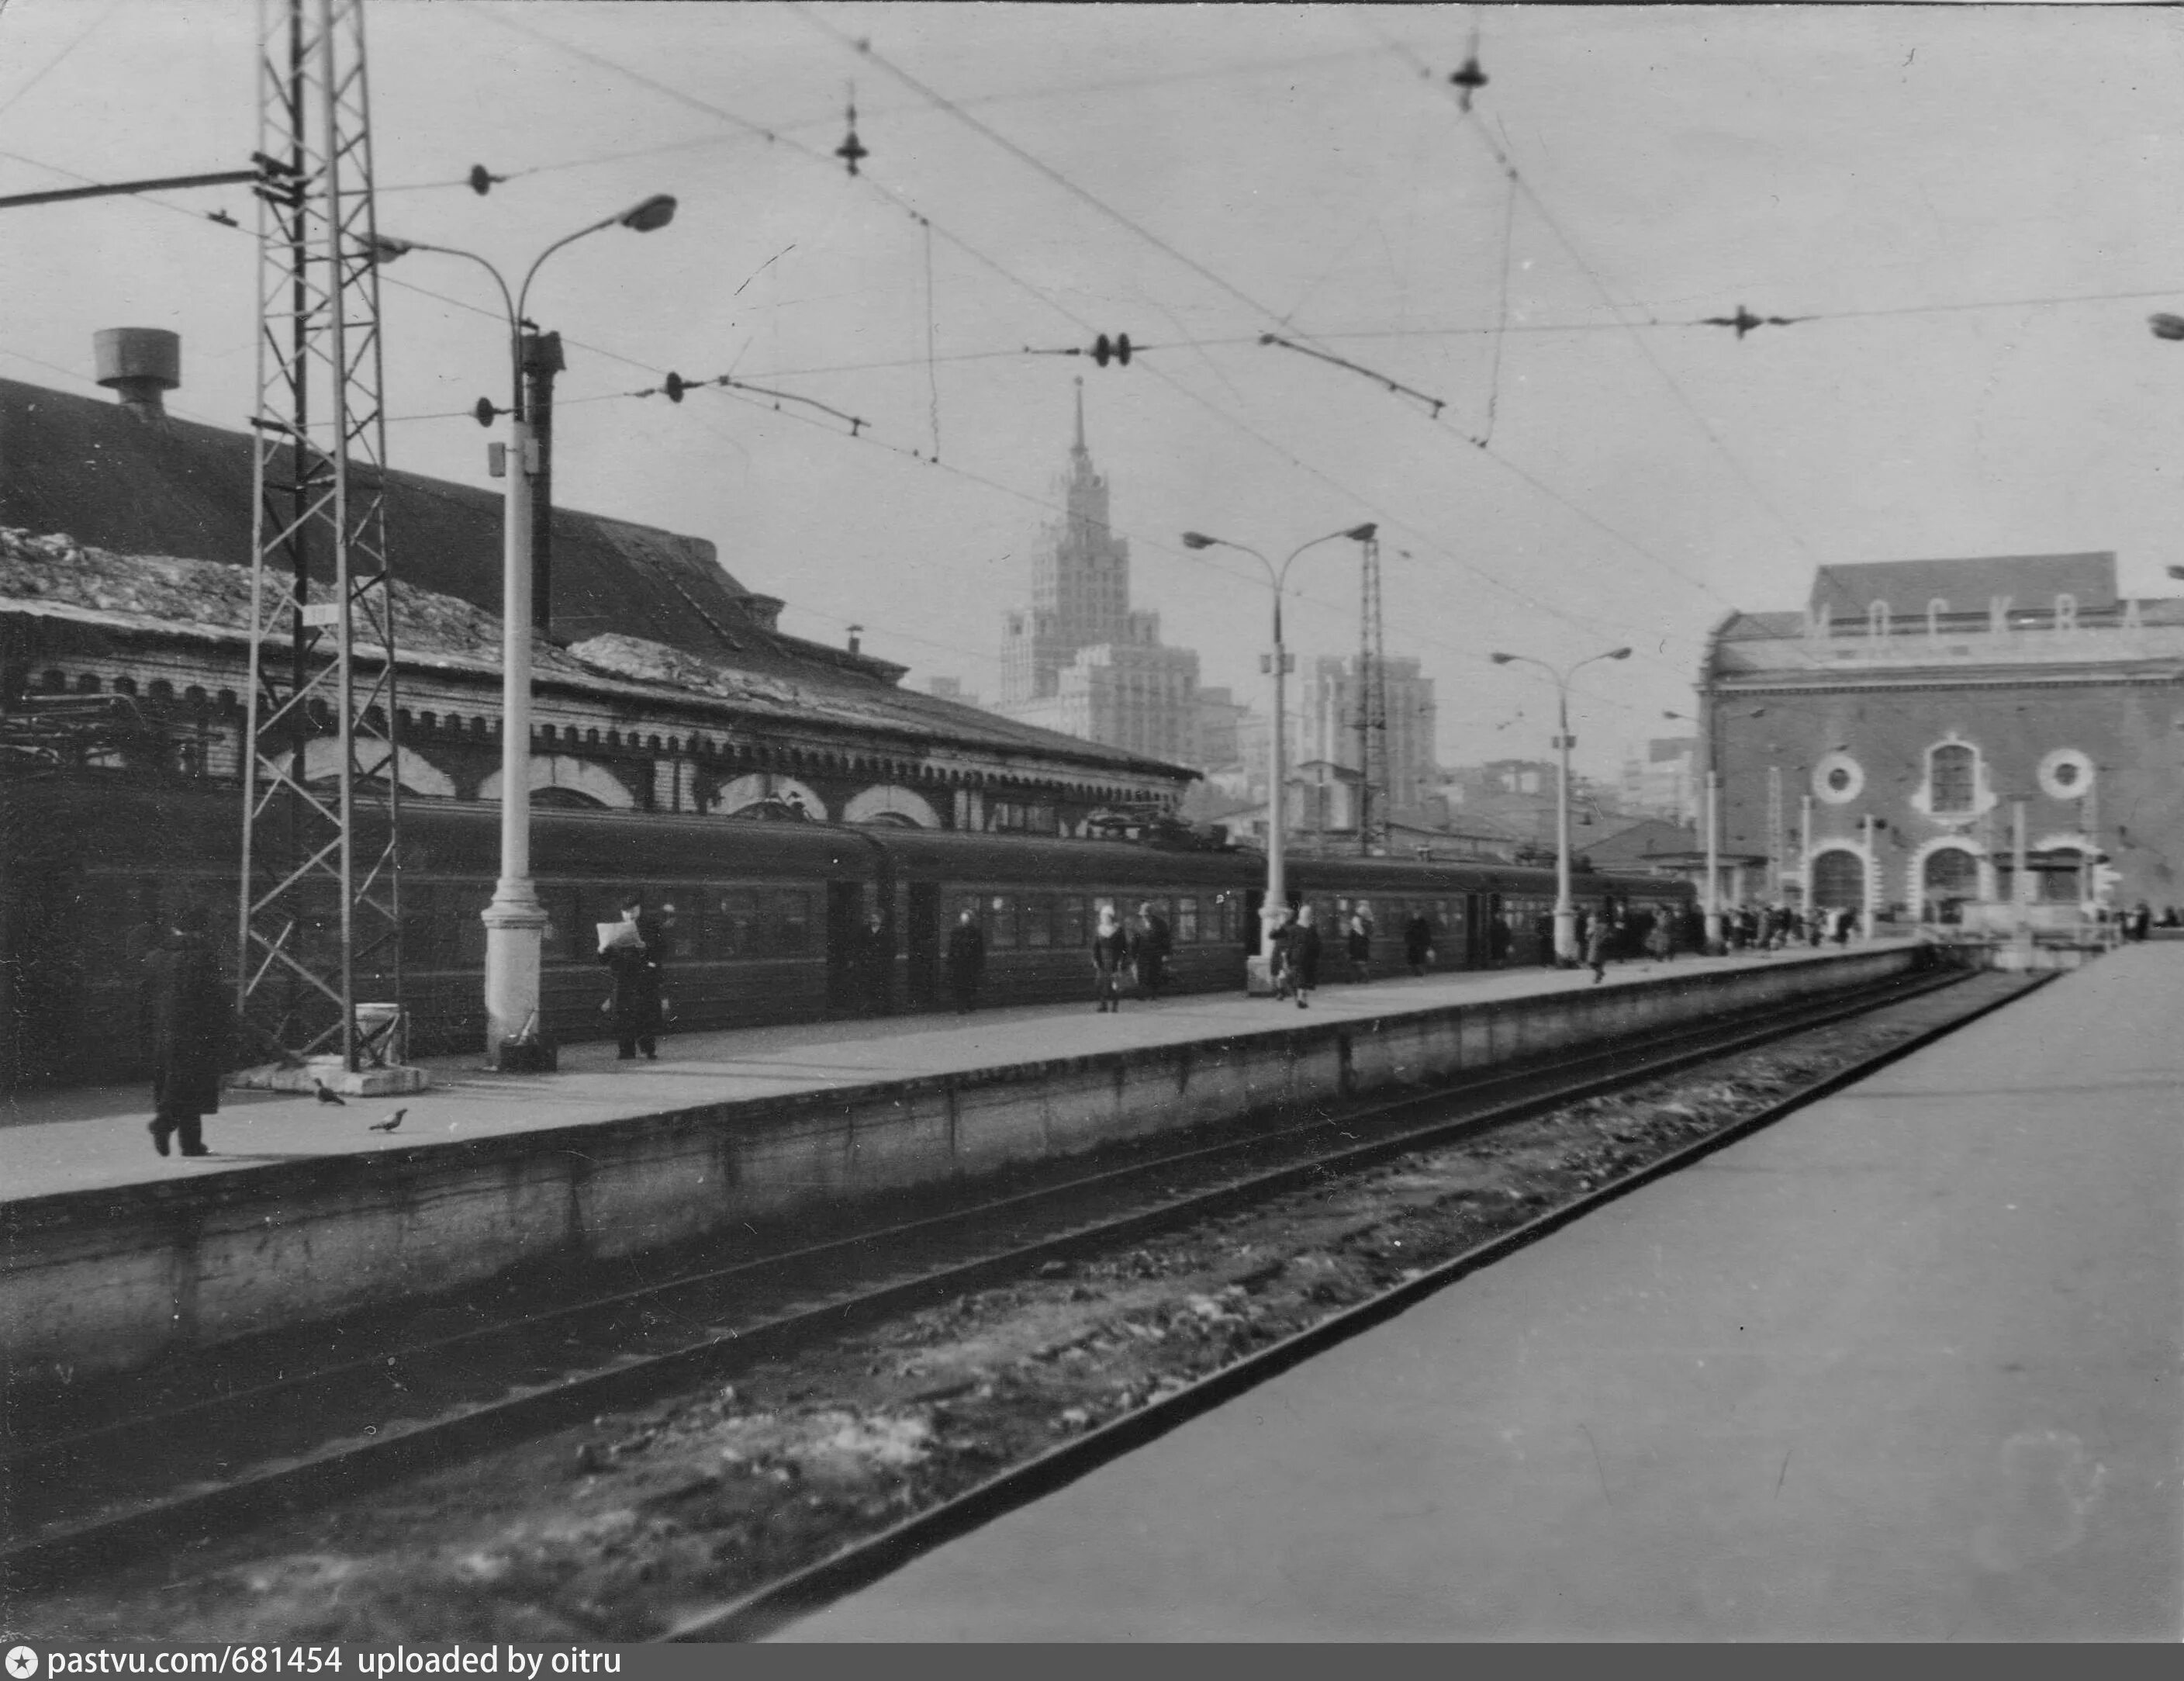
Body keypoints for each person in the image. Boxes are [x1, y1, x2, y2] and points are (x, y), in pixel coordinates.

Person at [143, 901, 233, 1157]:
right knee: (190, 1085)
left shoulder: (155, 958)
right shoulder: (205, 956)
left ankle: (191, 1145)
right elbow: (215, 999)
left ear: (174, 927)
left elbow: (146, 999)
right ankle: (165, 1124)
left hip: (164, 1032)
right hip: (198, 1032)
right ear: (202, 928)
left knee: (175, 1082)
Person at [599, 891, 667, 1059]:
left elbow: (661, 951)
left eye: (633, 911)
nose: (630, 914)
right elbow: (604, 959)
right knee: (623, 1015)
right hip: (622, 978)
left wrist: (645, 947)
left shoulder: (651, 926)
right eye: (627, 912)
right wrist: (601, 951)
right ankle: (626, 1050)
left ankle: (648, 1049)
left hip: (644, 977)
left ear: (639, 910)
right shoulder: (616, 929)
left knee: (645, 1015)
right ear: (622, 912)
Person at [945, 904, 986, 1014]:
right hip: (962, 963)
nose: (964, 920)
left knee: (966, 985)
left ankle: (967, 1005)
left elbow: (979, 949)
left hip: (967, 963)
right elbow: (952, 947)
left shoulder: (973, 932)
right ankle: (964, 1006)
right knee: (963, 985)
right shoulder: (963, 931)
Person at [1091, 904, 1132, 1012]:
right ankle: (1103, 1005)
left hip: (1115, 959)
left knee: (1114, 983)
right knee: (1101, 983)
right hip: (1102, 960)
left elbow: (1124, 947)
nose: (1104, 918)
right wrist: (1095, 959)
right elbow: (1096, 947)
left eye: (1106, 916)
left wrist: (1123, 960)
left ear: (1111, 917)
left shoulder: (1118, 930)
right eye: (1103, 916)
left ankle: (1114, 1005)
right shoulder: (1099, 930)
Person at [1286, 903, 1323, 1009]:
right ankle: (1303, 999)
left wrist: (1288, 959)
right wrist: (1317, 956)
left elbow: (1290, 946)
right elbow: (1318, 945)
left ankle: (1301, 999)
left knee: (1299, 978)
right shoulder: (1312, 929)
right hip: (1309, 957)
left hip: (1296, 957)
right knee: (1305, 979)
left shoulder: (1293, 929)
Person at [1133, 900, 1172, 1001]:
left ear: (1151, 915)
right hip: (1142, 953)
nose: (1145, 917)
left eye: (1147, 915)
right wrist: (1133, 955)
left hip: (1156, 953)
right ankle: (1141, 995)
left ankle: (1154, 994)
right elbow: (1135, 941)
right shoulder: (1138, 925)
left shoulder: (1160, 924)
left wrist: (1166, 954)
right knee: (1141, 974)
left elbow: (1166, 940)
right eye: (1143, 915)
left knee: (1154, 974)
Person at [1345, 904, 1374, 983]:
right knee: (1361, 964)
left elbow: (1352, 942)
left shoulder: (1354, 931)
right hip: (1362, 949)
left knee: (1357, 964)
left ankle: (1359, 979)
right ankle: (1362, 979)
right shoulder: (1365, 927)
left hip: (1356, 949)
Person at [1404, 911, 1433, 977]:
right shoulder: (1413, 924)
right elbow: (1408, 934)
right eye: (1415, 914)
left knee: (1419, 959)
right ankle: (1418, 972)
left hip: (1419, 945)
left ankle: (1420, 972)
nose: (1416, 916)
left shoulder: (1421, 924)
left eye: (1417, 914)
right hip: (1414, 945)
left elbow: (1426, 935)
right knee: (1416, 960)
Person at [1585, 911, 1612, 984]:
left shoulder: (1604, 926)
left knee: (1599, 963)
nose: (1592, 920)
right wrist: (1588, 933)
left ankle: (1597, 979)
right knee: (1591, 963)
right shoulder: (1592, 927)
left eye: (1594, 918)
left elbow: (1607, 936)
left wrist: (1602, 941)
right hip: (1593, 946)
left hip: (1601, 946)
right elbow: (1587, 937)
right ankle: (1600, 973)